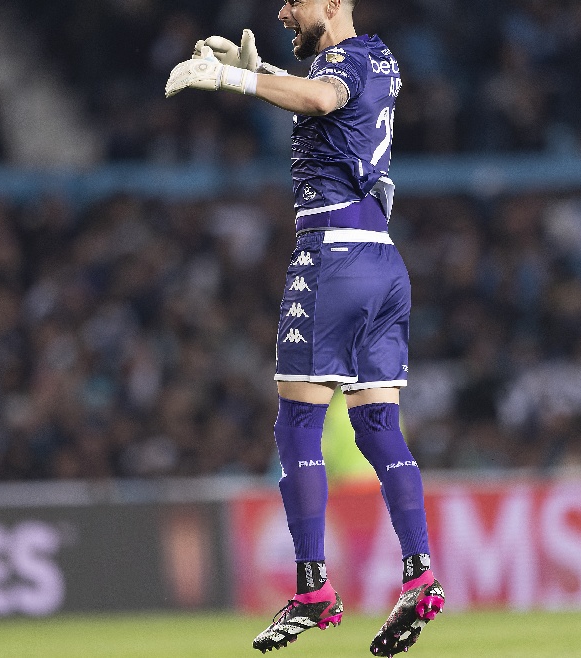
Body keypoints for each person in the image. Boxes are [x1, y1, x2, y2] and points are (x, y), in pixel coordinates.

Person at [165, 1, 443, 655]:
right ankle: (422, 574)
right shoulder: (377, 58)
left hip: (333, 255)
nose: (285, 9)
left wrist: (232, 79)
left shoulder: (344, 62)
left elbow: (321, 98)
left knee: (297, 422)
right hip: (382, 261)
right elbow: (325, 105)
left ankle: (314, 589)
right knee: (377, 423)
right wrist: (260, 68)